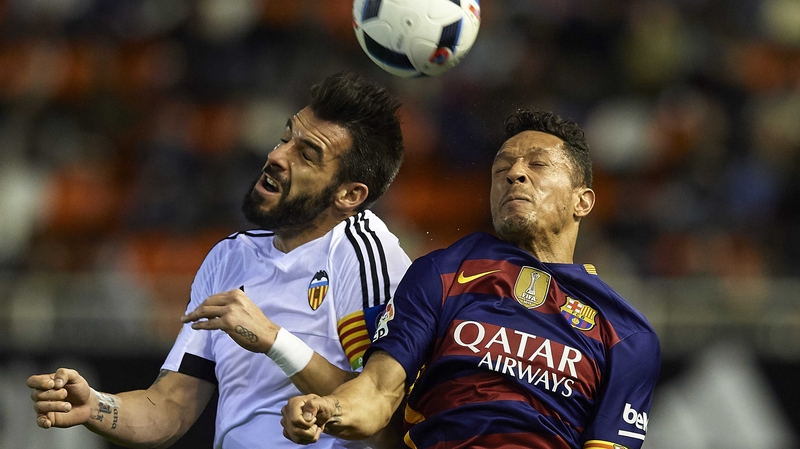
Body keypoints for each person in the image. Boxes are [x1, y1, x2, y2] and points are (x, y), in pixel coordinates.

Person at [27, 71, 412, 449]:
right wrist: (96, 405)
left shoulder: (366, 258)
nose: (277, 155)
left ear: (349, 195)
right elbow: (170, 408)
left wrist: (275, 341)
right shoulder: (230, 257)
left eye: (307, 155)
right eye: (285, 138)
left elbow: (381, 416)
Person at [281, 109, 661, 449]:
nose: (514, 174)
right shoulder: (443, 272)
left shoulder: (626, 334)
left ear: (583, 201)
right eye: (502, 169)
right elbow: (379, 391)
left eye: (538, 165)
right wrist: (329, 408)